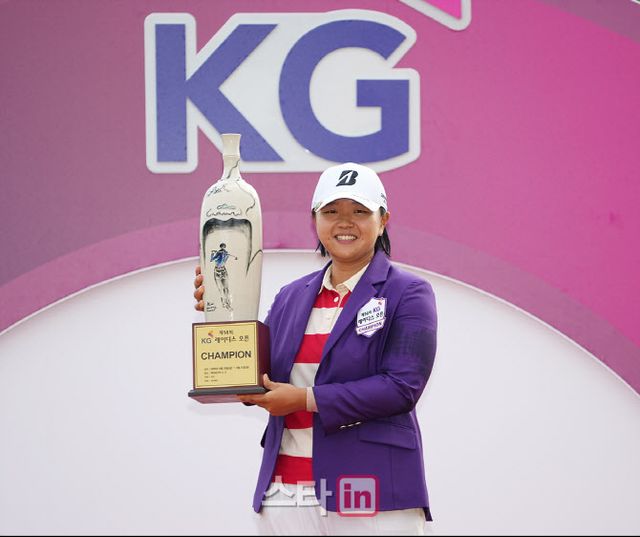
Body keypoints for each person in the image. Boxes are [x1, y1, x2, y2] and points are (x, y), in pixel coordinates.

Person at [193, 163, 437, 535]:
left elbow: (401, 388)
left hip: (369, 491)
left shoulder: (408, 292)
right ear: (315, 220)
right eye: (331, 211)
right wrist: (224, 306)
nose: (345, 222)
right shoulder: (291, 296)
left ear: (383, 220)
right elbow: (260, 377)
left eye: (360, 211)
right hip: (286, 493)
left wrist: (304, 399)